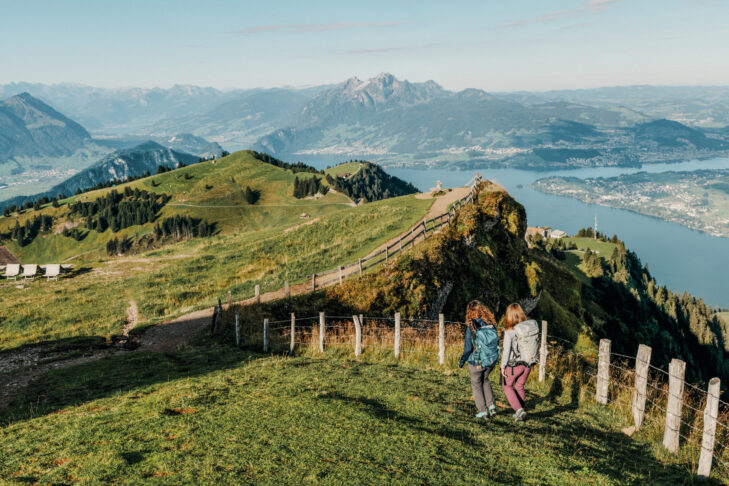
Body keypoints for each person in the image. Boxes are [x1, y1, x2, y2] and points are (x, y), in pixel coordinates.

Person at [459, 300, 500, 420]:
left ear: (469, 313)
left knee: (476, 385)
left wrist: (462, 361)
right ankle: (491, 406)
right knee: (485, 381)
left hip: (476, 362)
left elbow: (468, 348)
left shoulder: (471, 327)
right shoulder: (491, 324)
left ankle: (483, 411)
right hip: (490, 361)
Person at [500, 303, 540, 422]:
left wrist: (502, 366)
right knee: (519, 386)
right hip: (528, 363)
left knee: (507, 386)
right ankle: (521, 411)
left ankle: (519, 410)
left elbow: (507, 351)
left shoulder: (509, 332)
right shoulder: (529, 328)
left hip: (515, 365)